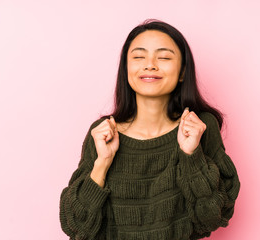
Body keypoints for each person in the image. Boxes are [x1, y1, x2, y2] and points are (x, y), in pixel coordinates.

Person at [60, 19, 240, 240]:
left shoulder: (199, 128)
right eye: (138, 57)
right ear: (126, 69)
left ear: (182, 72)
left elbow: (213, 217)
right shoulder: (103, 133)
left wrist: (191, 156)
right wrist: (102, 163)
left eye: (164, 57)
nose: (150, 65)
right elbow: (76, 226)